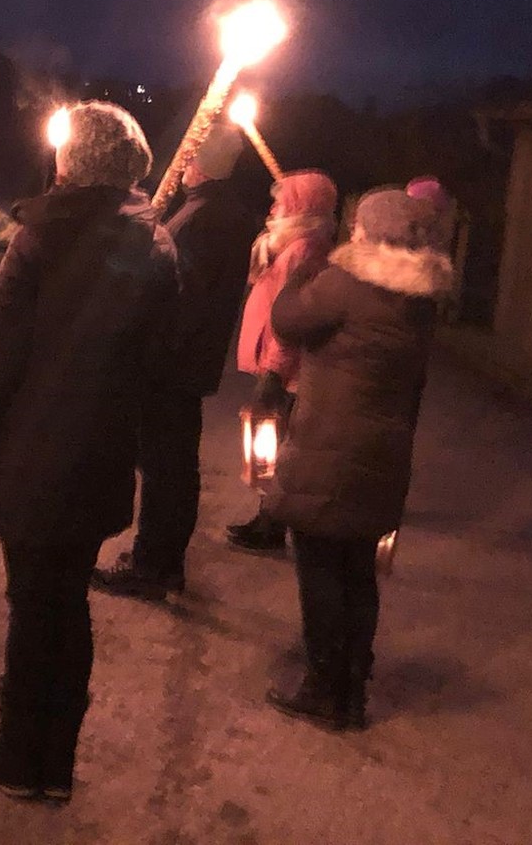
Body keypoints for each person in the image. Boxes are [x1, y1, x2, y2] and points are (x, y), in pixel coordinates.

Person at [0, 102, 180, 804]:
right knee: (67, 603)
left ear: (72, 162)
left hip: (34, 448)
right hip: (102, 453)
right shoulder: (158, 248)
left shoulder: (42, 237)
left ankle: (23, 756)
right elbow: (160, 366)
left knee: (35, 604)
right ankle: (54, 760)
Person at [261, 187, 451, 730]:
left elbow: (289, 321)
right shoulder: (419, 299)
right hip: (383, 451)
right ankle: (352, 678)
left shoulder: (345, 282)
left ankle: (325, 683)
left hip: (332, 446)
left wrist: (302, 270)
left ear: (370, 234)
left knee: (319, 564)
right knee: (357, 569)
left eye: (359, 228)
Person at [94, 123, 263, 601]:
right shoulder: (218, 210)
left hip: (171, 364)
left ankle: (155, 566)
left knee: (166, 469)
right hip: (183, 360)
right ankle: (158, 560)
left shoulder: (207, 217)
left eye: (189, 156)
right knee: (170, 466)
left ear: (200, 161)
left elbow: (183, 295)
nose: (184, 165)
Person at [224, 169, 339, 552]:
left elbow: (290, 320)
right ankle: (267, 518)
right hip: (275, 363)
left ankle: (273, 524)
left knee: (280, 449)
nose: (273, 208)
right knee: (272, 444)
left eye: (283, 201)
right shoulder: (287, 243)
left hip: (287, 370)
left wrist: (274, 371)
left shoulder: (305, 251)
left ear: (301, 207)